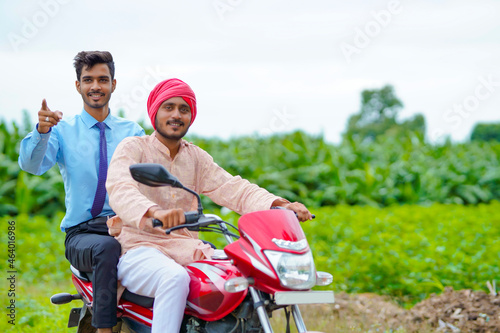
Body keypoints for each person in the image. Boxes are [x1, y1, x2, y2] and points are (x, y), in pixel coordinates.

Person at [105, 78, 313, 332]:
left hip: (186, 247)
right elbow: (120, 187)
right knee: (174, 278)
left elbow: (234, 188)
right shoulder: (134, 147)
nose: (176, 115)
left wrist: (279, 204)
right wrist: (154, 212)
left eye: (184, 109)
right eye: (168, 107)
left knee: (244, 270)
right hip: (139, 247)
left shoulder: (195, 157)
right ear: (155, 111)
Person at [18, 51, 145, 333]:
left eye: (102, 79)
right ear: (78, 86)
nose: (95, 86)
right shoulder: (61, 131)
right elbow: (31, 165)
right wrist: (41, 131)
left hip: (127, 228)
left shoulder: (132, 132)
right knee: (106, 248)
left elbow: (148, 180)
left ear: (114, 84)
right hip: (83, 233)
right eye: (88, 80)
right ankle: (104, 329)